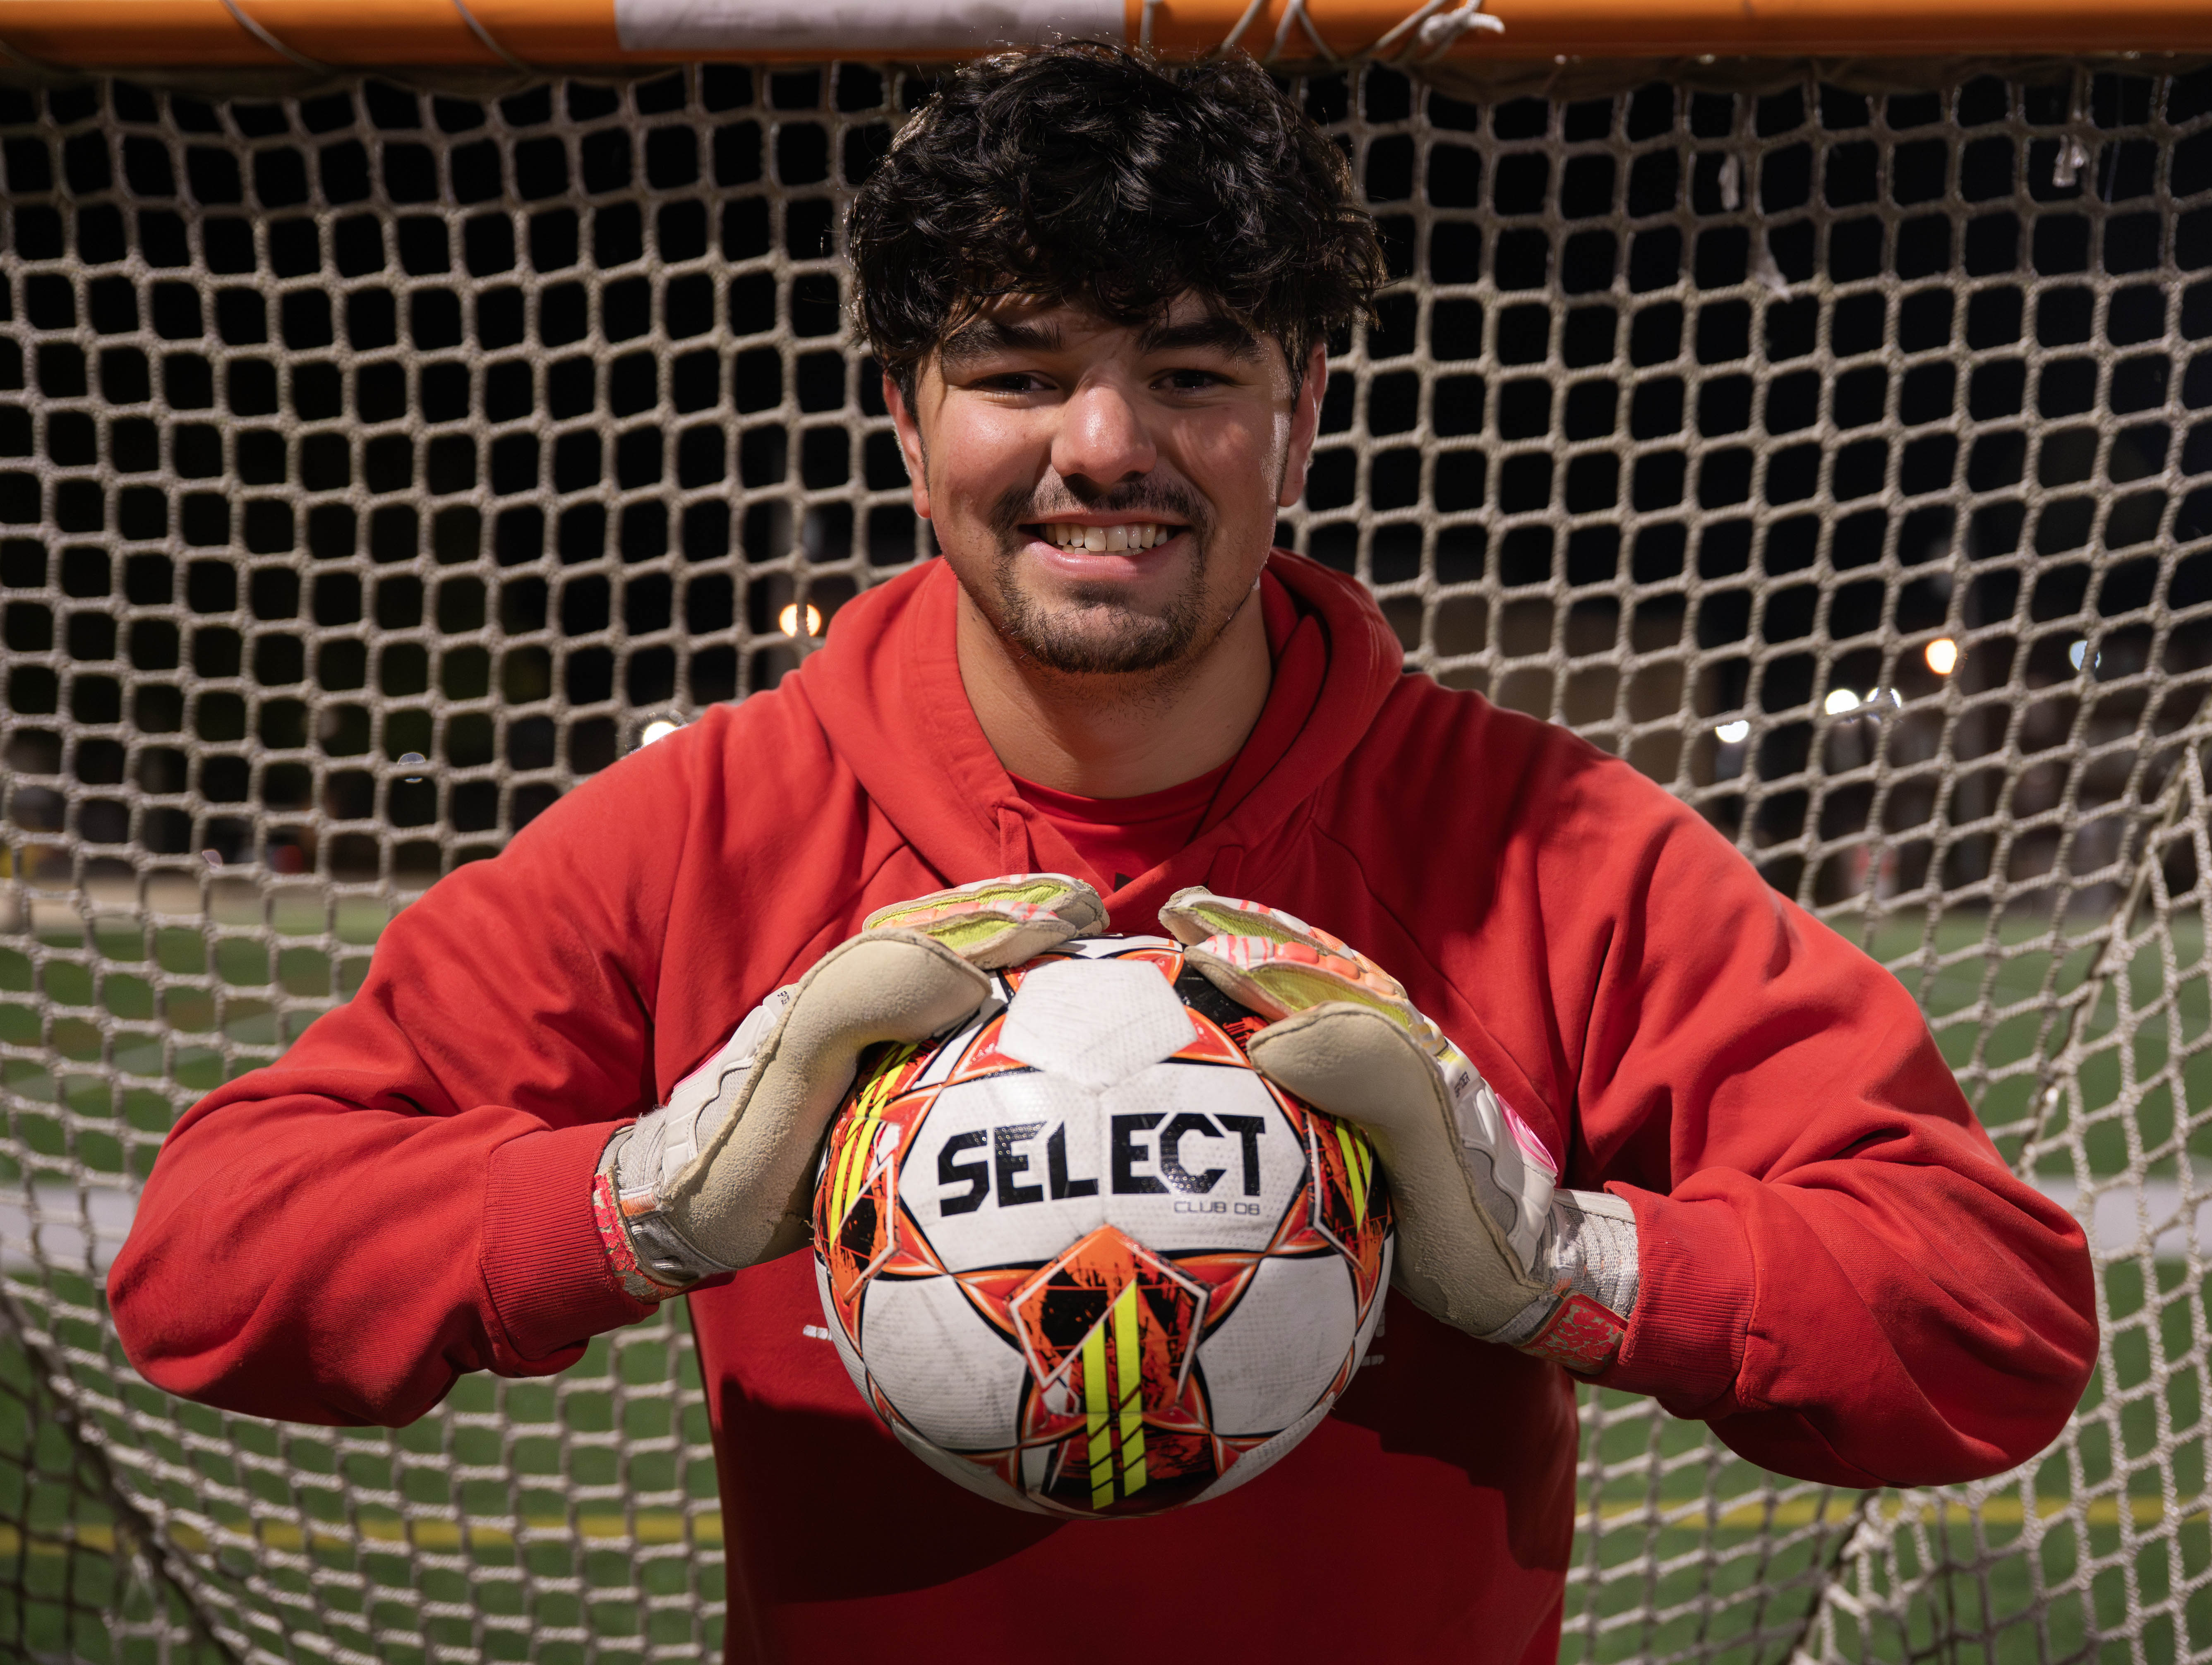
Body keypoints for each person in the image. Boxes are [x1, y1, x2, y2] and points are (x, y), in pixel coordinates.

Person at [112, 43, 2097, 1665]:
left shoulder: (1545, 846)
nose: (1099, 441)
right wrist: (636, 1195)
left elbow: (1993, 1322)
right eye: (1012, 366)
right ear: (905, 419)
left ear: (1296, 418)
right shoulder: (701, 833)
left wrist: (1570, 1260)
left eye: (1191, 369)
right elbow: (206, 1262)